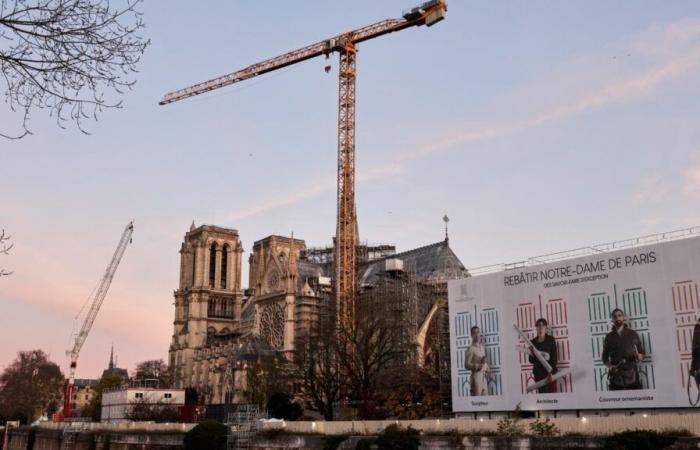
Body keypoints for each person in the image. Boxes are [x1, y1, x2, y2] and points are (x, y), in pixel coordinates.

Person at [601, 308, 645, 390]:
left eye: (619, 315)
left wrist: (640, 356)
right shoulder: (609, 337)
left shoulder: (633, 334)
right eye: (615, 316)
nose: (617, 318)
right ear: (612, 319)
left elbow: (642, 352)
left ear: (623, 317)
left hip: (632, 376)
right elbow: (604, 358)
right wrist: (610, 366)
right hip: (615, 377)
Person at [528, 318, 558, 393]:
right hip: (538, 374)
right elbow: (531, 360)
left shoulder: (551, 339)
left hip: (550, 373)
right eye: (538, 325)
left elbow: (554, 358)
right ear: (536, 328)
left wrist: (550, 373)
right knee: (542, 398)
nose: (541, 327)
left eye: (543, 325)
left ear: (546, 328)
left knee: (552, 398)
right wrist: (531, 353)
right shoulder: (532, 342)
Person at [465, 325, 490, 396]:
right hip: (476, 376)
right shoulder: (470, 349)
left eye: (478, 332)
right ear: (471, 335)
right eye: (474, 333)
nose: (477, 335)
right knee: (476, 400)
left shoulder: (482, 347)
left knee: (486, 400)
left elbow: (483, 361)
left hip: (483, 376)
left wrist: (488, 370)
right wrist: (477, 366)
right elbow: (466, 364)